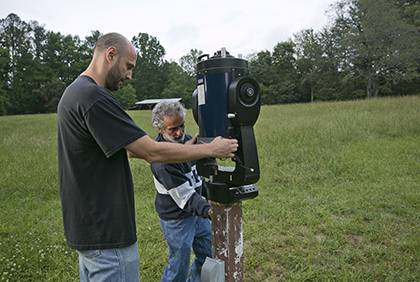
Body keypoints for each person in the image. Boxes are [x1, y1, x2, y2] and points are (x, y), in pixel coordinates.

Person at [57, 32, 238, 282]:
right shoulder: (93, 97)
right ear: (110, 55)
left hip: (89, 230)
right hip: (108, 235)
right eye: (128, 66)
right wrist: (211, 150)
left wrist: (189, 150)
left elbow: (130, 149)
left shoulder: (74, 93)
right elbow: (149, 151)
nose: (129, 75)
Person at [150, 101, 213, 282]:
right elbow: (184, 197)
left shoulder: (188, 141)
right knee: (179, 264)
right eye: (172, 129)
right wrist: (209, 210)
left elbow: (199, 177)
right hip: (176, 218)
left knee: (207, 254)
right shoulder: (161, 161)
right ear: (161, 129)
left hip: (198, 211)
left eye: (181, 126)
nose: (179, 133)